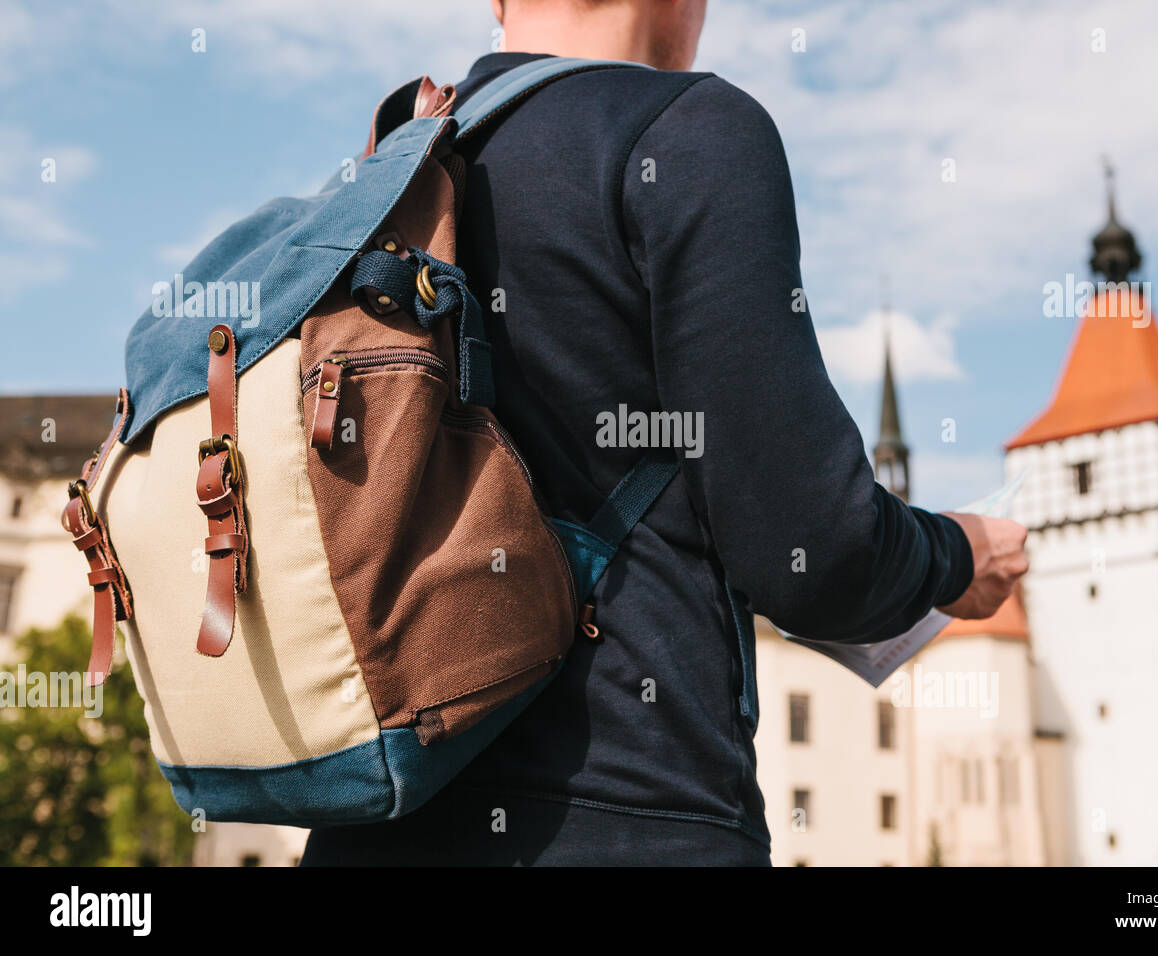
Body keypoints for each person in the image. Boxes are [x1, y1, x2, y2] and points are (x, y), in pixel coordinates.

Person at [301, 0, 1027, 866]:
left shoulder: (392, 171)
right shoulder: (693, 132)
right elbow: (811, 550)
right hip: (628, 814)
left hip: (369, 824)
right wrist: (956, 556)